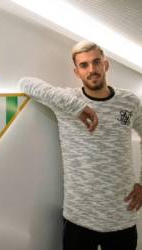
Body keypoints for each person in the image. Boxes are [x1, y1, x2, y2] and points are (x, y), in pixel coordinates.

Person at [19, 40, 142, 250]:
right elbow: (25, 83)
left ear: (106, 64)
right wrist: (77, 106)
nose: (92, 69)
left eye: (96, 62)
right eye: (84, 65)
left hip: (122, 218)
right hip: (79, 219)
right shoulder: (67, 101)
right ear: (76, 72)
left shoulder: (129, 102)